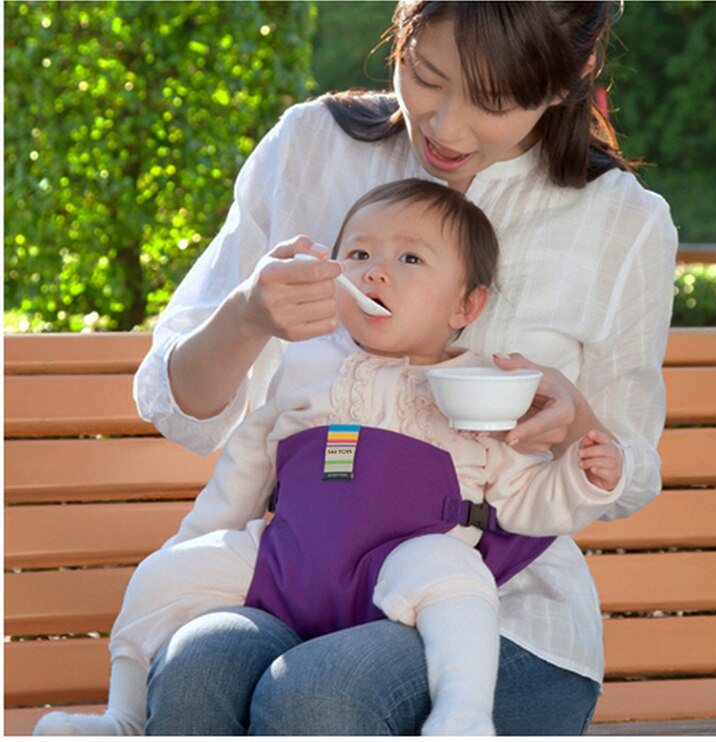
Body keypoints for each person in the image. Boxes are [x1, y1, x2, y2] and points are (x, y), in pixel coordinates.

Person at [106, 1, 674, 735]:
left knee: (316, 693)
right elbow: (179, 409)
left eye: (493, 102)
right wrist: (248, 316)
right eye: (426, 76)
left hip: (505, 610)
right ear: (400, 37)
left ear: (571, 80)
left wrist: (577, 425)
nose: (445, 126)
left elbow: (630, 471)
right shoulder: (311, 147)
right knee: (195, 665)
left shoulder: (621, 222)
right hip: (297, 577)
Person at [33, 180, 624, 737]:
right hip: (289, 564)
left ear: (466, 306)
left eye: (410, 260)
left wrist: (581, 475)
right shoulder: (306, 368)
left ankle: (463, 715)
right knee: (162, 576)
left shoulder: (486, 387)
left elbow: (526, 501)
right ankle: (125, 718)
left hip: (399, 571)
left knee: (455, 571)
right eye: (360, 255)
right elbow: (246, 465)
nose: (377, 272)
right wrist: (197, 544)